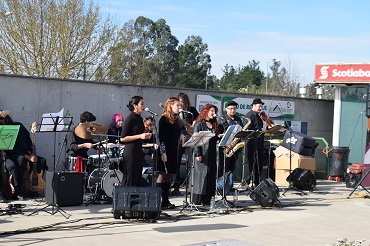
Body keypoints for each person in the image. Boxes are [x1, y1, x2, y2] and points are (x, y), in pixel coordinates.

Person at [0, 110, 48, 200]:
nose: (4, 120)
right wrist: (28, 157)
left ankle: (34, 188)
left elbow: (29, 142)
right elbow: (12, 149)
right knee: (19, 161)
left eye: (5, 118)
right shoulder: (2, 130)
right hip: (12, 154)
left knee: (42, 161)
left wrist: (31, 153)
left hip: (25, 153)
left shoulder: (19, 126)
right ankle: (19, 190)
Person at [191, 104, 220, 205]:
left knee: (210, 174)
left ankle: (208, 199)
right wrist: (197, 153)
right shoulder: (199, 124)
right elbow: (196, 140)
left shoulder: (214, 123)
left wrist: (219, 136)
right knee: (201, 176)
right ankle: (199, 200)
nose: (213, 113)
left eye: (215, 111)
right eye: (211, 111)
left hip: (211, 152)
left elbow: (212, 138)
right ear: (206, 111)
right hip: (202, 153)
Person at [120, 96, 152, 186]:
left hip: (138, 150)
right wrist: (139, 136)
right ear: (135, 105)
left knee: (137, 176)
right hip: (131, 151)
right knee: (130, 177)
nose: (144, 106)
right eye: (141, 104)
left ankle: (135, 198)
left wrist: (145, 136)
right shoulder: (130, 118)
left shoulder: (139, 118)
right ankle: (126, 198)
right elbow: (122, 138)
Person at [173, 93, 199, 195]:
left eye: (182, 102)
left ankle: (189, 186)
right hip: (179, 138)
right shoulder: (175, 112)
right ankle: (176, 186)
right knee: (177, 161)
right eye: (178, 102)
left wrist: (194, 123)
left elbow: (198, 119)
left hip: (190, 137)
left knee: (190, 162)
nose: (180, 104)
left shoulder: (191, 110)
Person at [157, 97, 181, 209]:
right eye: (177, 106)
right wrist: (163, 152)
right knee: (162, 174)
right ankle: (156, 200)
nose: (179, 108)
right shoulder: (164, 119)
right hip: (165, 150)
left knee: (169, 175)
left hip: (173, 150)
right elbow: (161, 138)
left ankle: (165, 201)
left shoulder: (175, 119)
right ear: (170, 105)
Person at [217, 100, 244, 177]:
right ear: (226, 109)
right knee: (223, 167)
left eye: (234, 108)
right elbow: (219, 133)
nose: (233, 110)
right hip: (225, 147)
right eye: (231, 108)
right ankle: (221, 185)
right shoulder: (222, 119)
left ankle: (229, 184)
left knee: (232, 167)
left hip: (234, 146)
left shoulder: (238, 119)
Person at [245, 98, 267, 187]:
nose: (260, 108)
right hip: (251, 143)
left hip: (259, 142)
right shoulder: (249, 116)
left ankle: (256, 182)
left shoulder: (259, 116)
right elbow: (248, 130)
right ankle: (246, 182)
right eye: (259, 106)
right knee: (250, 163)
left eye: (261, 106)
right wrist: (260, 130)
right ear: (253, 105)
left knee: (259, 162)